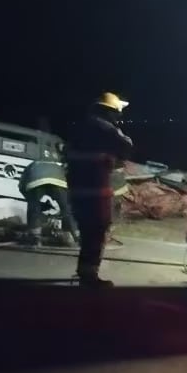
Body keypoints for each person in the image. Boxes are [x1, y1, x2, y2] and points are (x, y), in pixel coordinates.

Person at [65, 92, 133, 287]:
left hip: (77, 189)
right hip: (95, 189)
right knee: (96, 232)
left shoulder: (80, 127)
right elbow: (126, 147)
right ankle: (89, 277)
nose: (119, 117)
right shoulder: (106, 129)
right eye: (118, 113)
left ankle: (84, 271)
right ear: (112, 112)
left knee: (88, 232)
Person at [18, 142, 79, 247]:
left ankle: (35, 237)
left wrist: (33, 202)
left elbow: (22, 188)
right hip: (58, 181)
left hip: (36, 180)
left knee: (34, 207)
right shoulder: (56, 164)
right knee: (66, 209)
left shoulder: (31, 166)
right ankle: (77, 235)